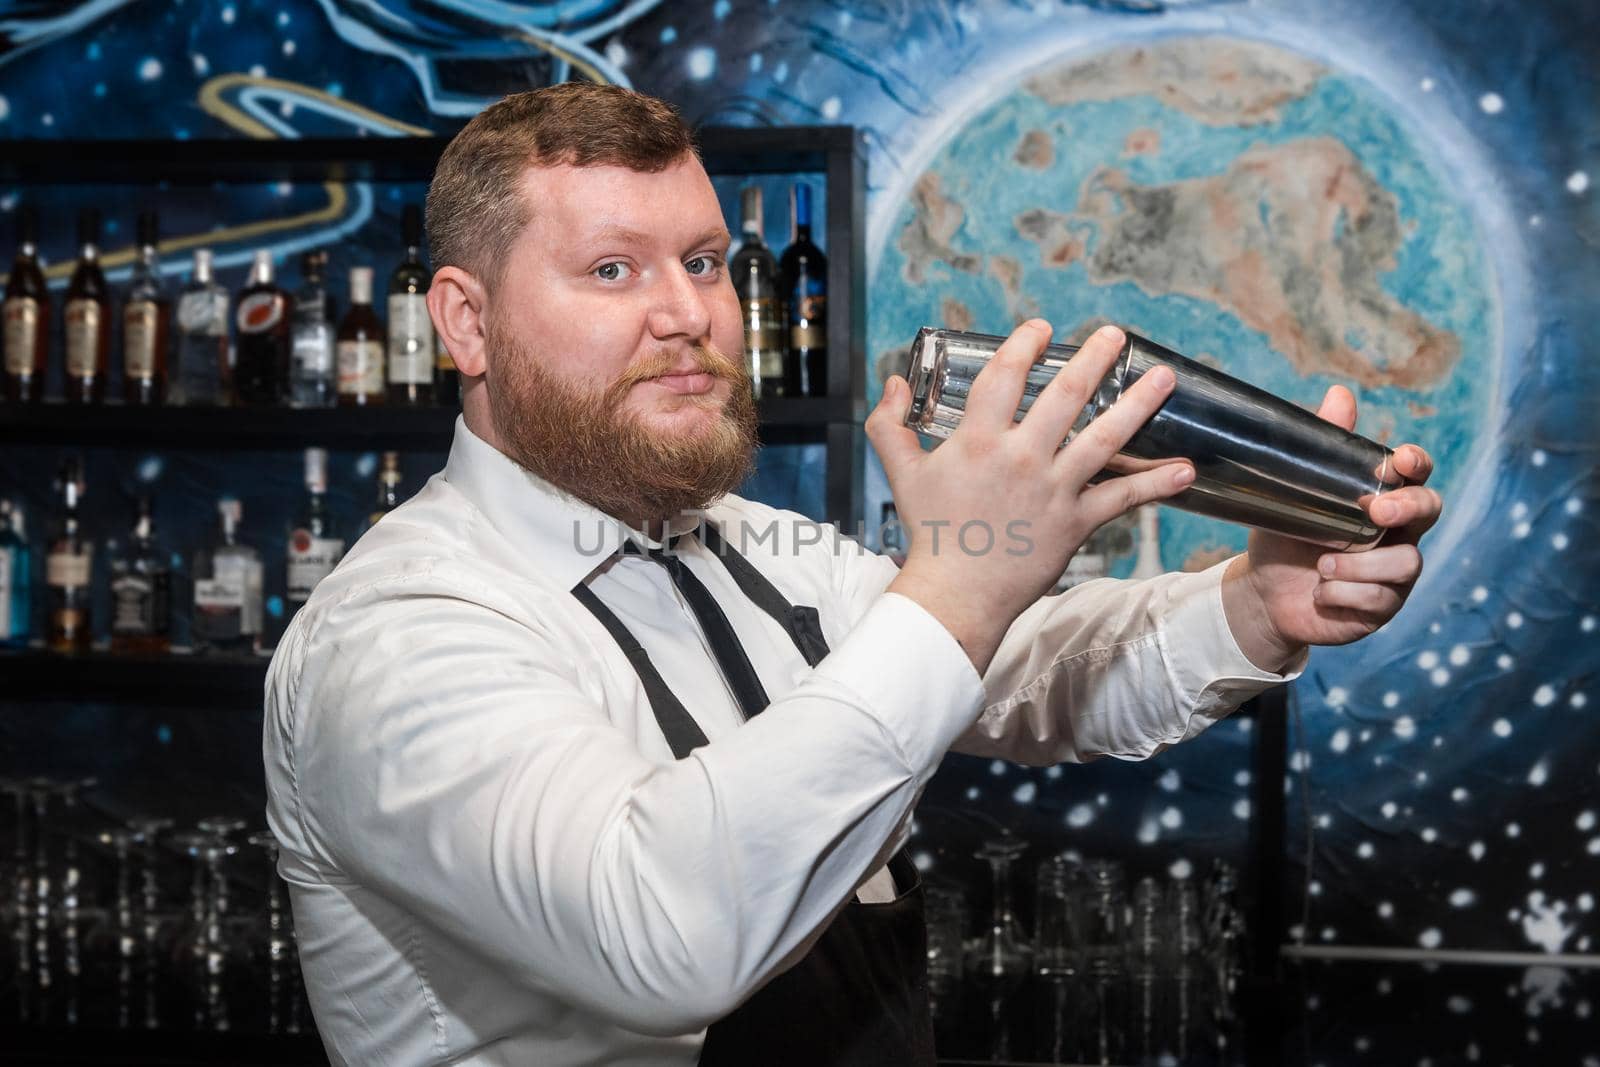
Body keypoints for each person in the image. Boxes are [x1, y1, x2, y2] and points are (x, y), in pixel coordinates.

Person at [262, 83, 1442, 1067]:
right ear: (464, 325)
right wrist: (963, 582)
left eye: (706, 260)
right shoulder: (398, 630)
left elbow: (1022, 670)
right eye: (614, 270)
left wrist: (1246, 604)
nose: (688, 315)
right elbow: (661, 937)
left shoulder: (750, 548)